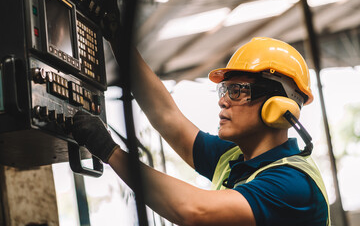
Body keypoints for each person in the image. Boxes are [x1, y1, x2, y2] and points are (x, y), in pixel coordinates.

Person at [72, 37, 330, 225]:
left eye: (237, 91)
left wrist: (111, 152)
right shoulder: (233, 158)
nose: (223, 100)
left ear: (277, 105)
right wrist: (118, 38)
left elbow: (193, 211)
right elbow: (166, 116)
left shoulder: (293, 183)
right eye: (224, 90)